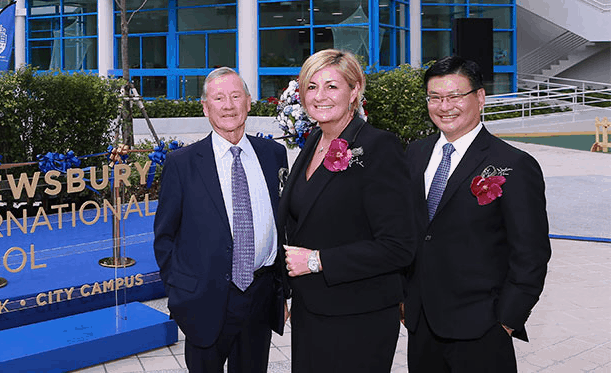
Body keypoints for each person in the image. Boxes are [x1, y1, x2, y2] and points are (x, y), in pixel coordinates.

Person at [403, 55, 551, 372]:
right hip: (421, 324)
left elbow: (531, 254)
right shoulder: (414, 154)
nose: (445, 106)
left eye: (455, 96)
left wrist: (507, 322)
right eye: (435, 97)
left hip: (482, 328)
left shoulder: (514, 164)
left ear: (480, 98)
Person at [277, 49, 416, 372]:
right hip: (312, 312)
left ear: (355, 91)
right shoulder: (314, 140)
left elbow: (399, 246)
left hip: (359, 315)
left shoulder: (380, 147)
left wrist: (317, 260)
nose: (319, 96)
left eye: (332, 86)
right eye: (311, 87)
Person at [153, 67, 289, 372]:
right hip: (204, 300)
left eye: (235, 96)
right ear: (205, 107)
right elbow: (165, 237)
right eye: (218, 98)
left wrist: (283, 291)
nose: (228, 105)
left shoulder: (273, 155)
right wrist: (180, 296)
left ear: (249, 102)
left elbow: (284, 223)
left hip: (260, 295)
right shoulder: (182, 164)